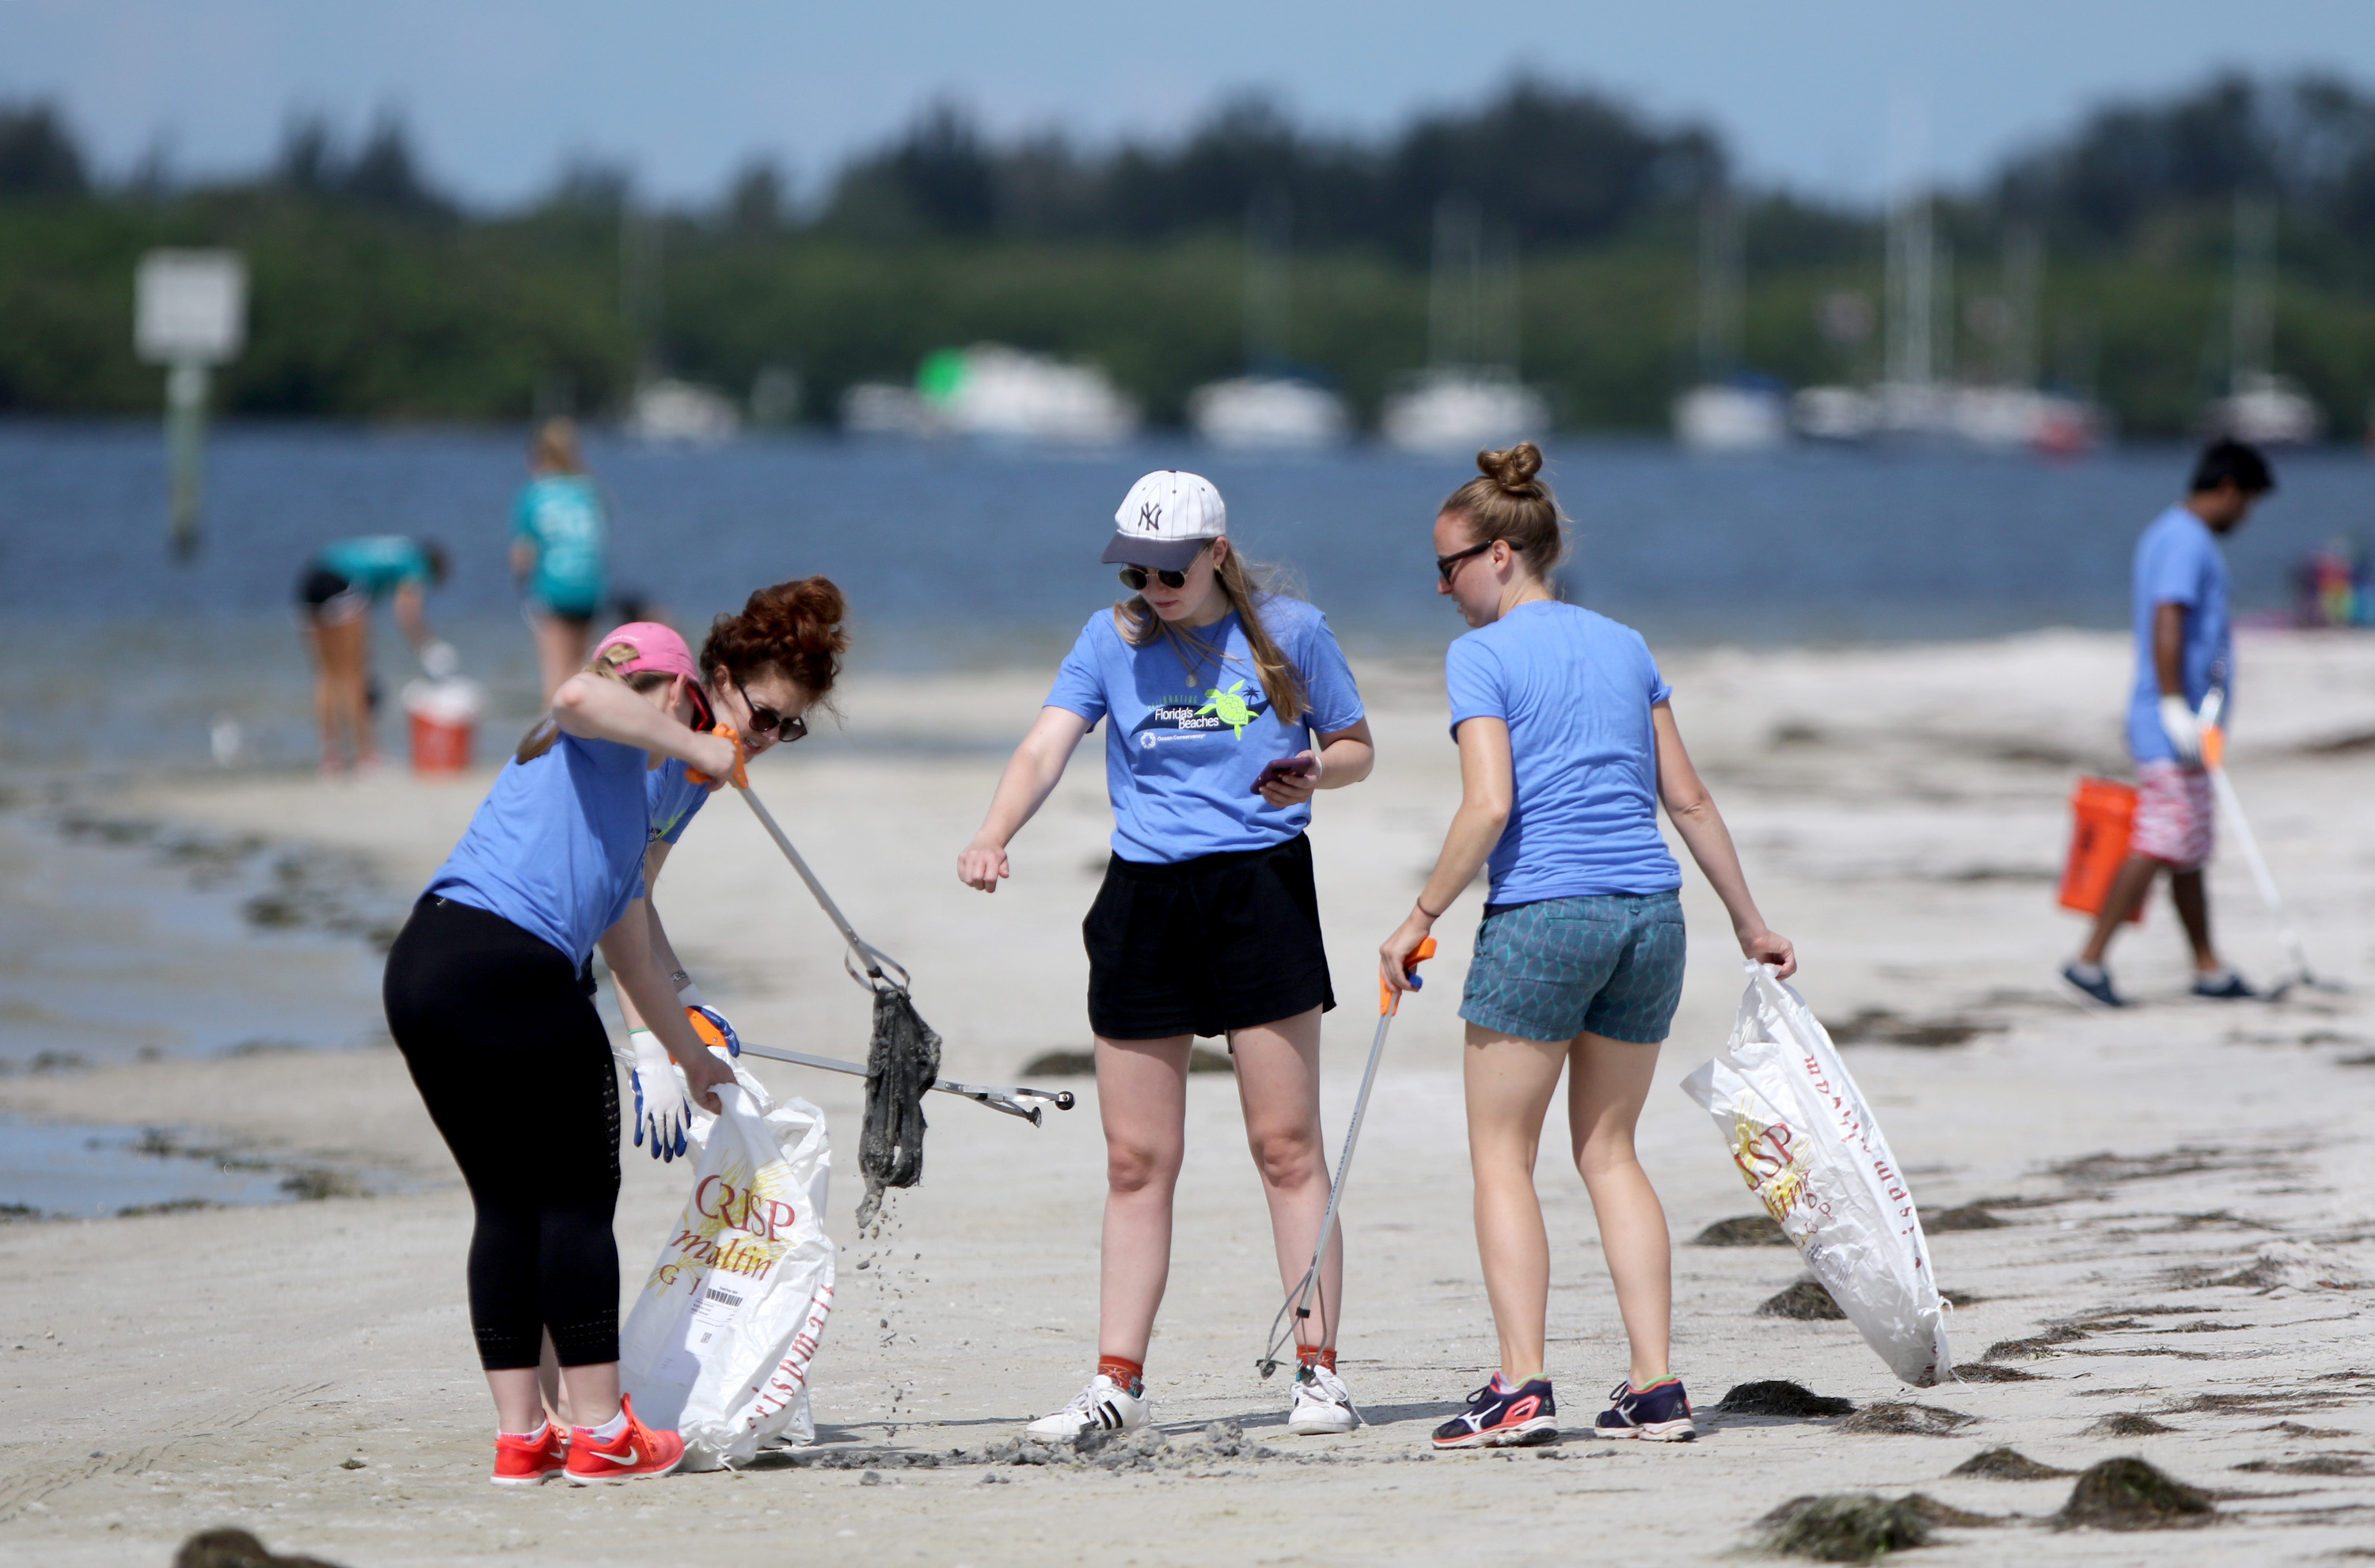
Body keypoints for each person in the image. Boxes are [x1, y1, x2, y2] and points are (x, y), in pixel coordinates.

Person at [1378, 443, 1795, 1450]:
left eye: (1450, 567)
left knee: (1500, 1157)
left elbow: (1489, 807)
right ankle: (1655, 1385)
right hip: (1651, 915)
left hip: (1545, 918)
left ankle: (1521, 1382)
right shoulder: (1625, 642)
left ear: (1505, 555)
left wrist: (1420, 916)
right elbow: (1685, 798)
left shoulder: (1479, 656)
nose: (1440, 588)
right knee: (1610, 1152)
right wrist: (1750, 920)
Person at [956, 470, 1376, 1438]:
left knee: (1285, 1146)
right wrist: (994, 831)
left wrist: (1314, 767)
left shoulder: (1295, 631)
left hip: (1259, 891)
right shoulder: (1110, 639)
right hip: (1145, 899)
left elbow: (1355, 745)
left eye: (1169, 569)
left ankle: (1319, 1373)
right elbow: (1042, 748)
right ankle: (1115, 1384)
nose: (1151, 584)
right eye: (1134, 568)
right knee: (1137, 1159)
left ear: (1216, 554)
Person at [380, 602, 834, 1487]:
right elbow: (579, 694)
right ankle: (600, 1430)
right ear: (691, 687)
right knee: (579, 1200)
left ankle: (525, 1438)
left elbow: (626, 925)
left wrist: (680, 1044)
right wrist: (705, 745)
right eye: (757, 716)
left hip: (425, 969)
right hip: (509, 967)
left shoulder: (639, 789)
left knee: (509, 1207)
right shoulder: (609, 734)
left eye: (790, 726)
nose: (766, 736)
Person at [2062, 439, 2275, 1008]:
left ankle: (2208, 966)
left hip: (2188, 723)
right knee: (2161, 840)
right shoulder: (2185, 539)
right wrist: (2176, 701)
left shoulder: (2171, 532)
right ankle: (2089, 959)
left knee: (2188, 845)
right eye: (2248, 502)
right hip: (2170, 721)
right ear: (2228, 488)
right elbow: (2168, 616)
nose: (2246, 516)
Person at [294, 534, 455, 777]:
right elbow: (407, 612)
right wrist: (428, 646)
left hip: (312, 577)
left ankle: (330, 759)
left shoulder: (395, 548)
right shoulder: (416, 563)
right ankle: (366, 758)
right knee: (354, 674)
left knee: (327, 675)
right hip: (343, 585)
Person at [512, 418, 610, 702]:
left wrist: (523, 586)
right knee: (578, 675)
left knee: (554, 683)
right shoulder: (591, 490)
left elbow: (521, 557)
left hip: (553, 590)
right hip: (590, 590)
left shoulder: (534, 493)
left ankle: (551, 744)